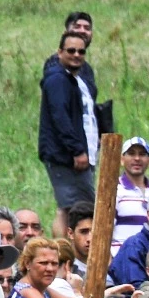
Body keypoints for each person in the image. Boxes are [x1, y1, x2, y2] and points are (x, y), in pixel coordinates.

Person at [39, 32, 99, 217]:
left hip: (77, 156)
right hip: (65, 158)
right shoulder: (57, 79)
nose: (76, 55)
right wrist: (76, 150)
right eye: (71, 50)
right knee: (75, 210)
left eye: (81, 51)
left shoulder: (75, 80)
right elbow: (60, 117)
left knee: (72, 208)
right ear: (60, 52)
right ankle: (64, 246)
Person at [113, 136, 149, 254]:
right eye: (131, 154)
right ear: (122, 159)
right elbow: (102, 231)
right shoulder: (114, 191)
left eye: (142, 154)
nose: (137, 158)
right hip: (121, 260)